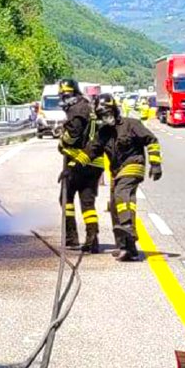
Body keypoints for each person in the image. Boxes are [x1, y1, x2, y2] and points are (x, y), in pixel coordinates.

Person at [92, 94, 162, 261]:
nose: (105, 117)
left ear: (114, 109)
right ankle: (128, 248)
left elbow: (151, 140)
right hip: (116, 172)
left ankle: (128, 227)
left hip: (134, 165)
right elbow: (91, 151)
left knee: (122, 193)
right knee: (115, 207)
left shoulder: (132, 125)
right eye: (101, 115)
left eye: (107, 112)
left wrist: (155, 163)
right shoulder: (103, 133)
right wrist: (72, 168)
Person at [56, 78, 105, 252]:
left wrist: (62, 140)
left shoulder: (76, 110)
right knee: (87, 202)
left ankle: (72, 238)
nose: (63, 98)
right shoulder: (87, 106)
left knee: (66, 198)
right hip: (94, 162)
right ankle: (93, 239)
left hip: (78, 162)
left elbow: (74, 135)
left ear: (73, 94)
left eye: (65, 95)